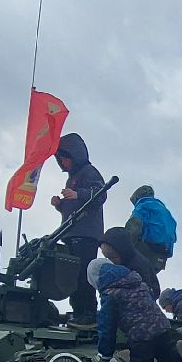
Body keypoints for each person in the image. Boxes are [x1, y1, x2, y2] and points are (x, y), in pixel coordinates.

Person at [95, 228, 182, 362]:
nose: (110, 259)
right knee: (166, 354)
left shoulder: (110, 293)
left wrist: (105, 353)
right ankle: (178, 358)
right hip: (160, 325)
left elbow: (107, 327)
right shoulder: (134, 278)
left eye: (111, 256)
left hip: (139, 333)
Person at [49, 132, 106, 325]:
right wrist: (60, 205)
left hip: (86, 234)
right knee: (73, 275)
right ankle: (78, 310)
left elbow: (100, 195)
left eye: (65, 158)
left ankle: (89, 312)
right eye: (61, 160)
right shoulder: (71, 178)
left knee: (83, 274)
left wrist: (78, 193)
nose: (63, 163)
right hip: (72, 232)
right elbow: (75, 206)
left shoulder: (89, 172)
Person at [124, 185, 177, 286]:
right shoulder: (165, 212)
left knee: (129, 279)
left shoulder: (143, 206)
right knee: (147, 282)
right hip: (162, 256)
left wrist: (125, 246)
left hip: (146, 250)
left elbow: (133, 228)